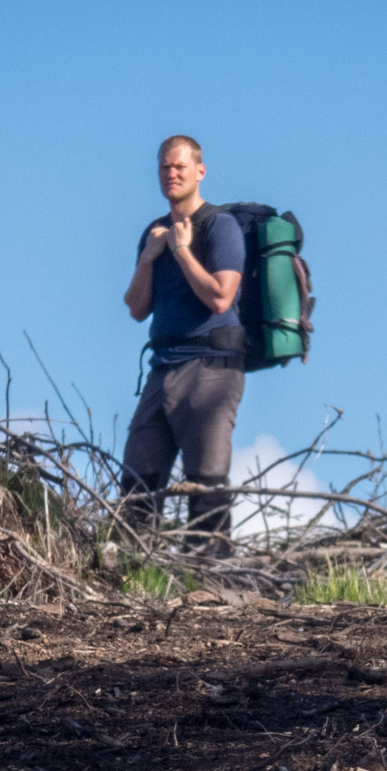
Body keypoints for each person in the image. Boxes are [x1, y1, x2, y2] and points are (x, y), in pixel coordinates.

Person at [119, 134, 245, 554]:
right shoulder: (152, 234)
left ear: (199, 171)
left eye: (179, 167)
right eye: (164, 168)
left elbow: (221, 297)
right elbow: (137, 309)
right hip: (163, 367)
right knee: (137, 480)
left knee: (206, 480)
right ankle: (130, 576)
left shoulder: (219, 226)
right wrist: (149, 257)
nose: (171, 174)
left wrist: (184, 251)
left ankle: (211, 581)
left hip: (211, 366)